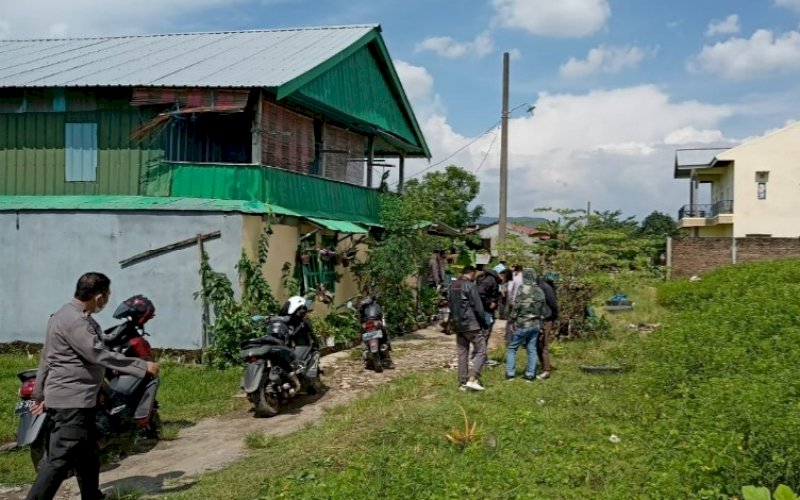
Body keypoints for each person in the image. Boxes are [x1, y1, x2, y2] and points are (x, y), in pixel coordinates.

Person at [27, 272, 159, 500]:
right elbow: (98, 353)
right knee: (60, 459)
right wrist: (140, 366)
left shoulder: (61, 315)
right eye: (107, 296)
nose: (106, 300)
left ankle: (92, 496)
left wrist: (40, 393)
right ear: (99, 297)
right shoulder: (77, 321)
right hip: (72, 401)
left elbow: (46, 357)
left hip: (81, 398)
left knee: (87, 453)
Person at [448, 265, 488, 391]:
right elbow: (478, 307)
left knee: (462, 353)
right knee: (482, 350)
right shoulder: (470, 286)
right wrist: (484, 323)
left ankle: (462, 382)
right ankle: (473, 378)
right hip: (471, 324)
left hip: (458, 324)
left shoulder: (452, 286)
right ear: (471, 273)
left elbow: (450, 304)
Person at [505, 268, 545, 382]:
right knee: (531, 348)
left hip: (523, 324)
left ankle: (510, 374)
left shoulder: (523, 289)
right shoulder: (540, 290)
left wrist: (512, 320)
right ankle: (530, 375)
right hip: (536, 324)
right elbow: (543, 309)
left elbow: (517, 306)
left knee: (512, 348)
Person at [536, 271, 559, 380]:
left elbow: (553, 304)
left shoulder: (544, 287)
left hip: (546, 318)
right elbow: (553, 304)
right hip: (542, 318)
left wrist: (554, 318)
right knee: (539, 344)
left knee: (543, 344)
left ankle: (546, 370)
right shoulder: (543, 286)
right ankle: (544, 366)